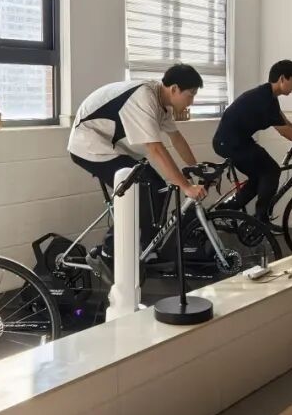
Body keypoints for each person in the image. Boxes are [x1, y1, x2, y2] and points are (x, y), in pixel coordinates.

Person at [68, 65, 207, 269]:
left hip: (112, 147)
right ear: (174, 89)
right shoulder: (143, 98)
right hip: (89, 146)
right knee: (141, 191)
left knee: (157, 188)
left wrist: (196, 167)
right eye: (191, 95)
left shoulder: (163, 104)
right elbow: (155, 149)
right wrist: (186, 186)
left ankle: (147, 248)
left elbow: (176, 138)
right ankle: (107, 252)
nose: (192, 102)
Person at [213, 60, 292, 235]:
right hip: (229, 142)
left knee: (259, 177)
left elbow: (286, 124)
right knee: (272, 170)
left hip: (237, 141)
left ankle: (225, 210)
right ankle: (261, 220)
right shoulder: (264, 99)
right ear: (282, 79)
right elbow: (284, 131)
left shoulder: (269, 96)